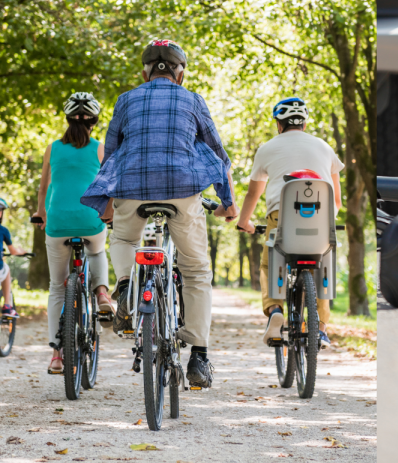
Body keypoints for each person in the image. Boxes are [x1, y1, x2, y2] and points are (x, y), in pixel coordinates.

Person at [81, 39, 239, 388]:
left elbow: (111, 154)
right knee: (196, 270)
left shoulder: (125, 100)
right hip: (183, 190)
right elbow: (218, 155)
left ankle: (126, 286)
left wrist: (106, 198)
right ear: (180, 74)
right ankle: (199, 356)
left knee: (124, 239)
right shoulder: (193, 100)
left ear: (145, 73)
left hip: (132, 188)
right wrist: (228, 203)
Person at [237, 97, 344, 348]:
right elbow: (336, 200)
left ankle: (275, 310)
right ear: (304, 123)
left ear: (279, 124)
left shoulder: (266, 149)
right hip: (321, 220)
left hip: (281, 218)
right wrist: (328, 221)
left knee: (269, 262)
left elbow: (253, 194)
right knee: (322, 263)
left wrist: (244, 222)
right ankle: (321, 328)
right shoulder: (324, 147)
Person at [32, 93, 114, 374]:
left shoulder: (52, 148)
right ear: (94, 121)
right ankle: (101, 293)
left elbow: (44, 187)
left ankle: (56, 355)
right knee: (97, 249)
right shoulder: (100, 148)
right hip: (90, 219)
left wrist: (41, 213)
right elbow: (109, 187)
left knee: (57, 287)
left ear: (67, 119)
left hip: (57, 223)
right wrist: (109, 214)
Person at [0, 198, 30, 319]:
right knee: (6, 268)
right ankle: (7, 305)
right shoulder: (3, 230)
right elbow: (12, 251)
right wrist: (21, 252)